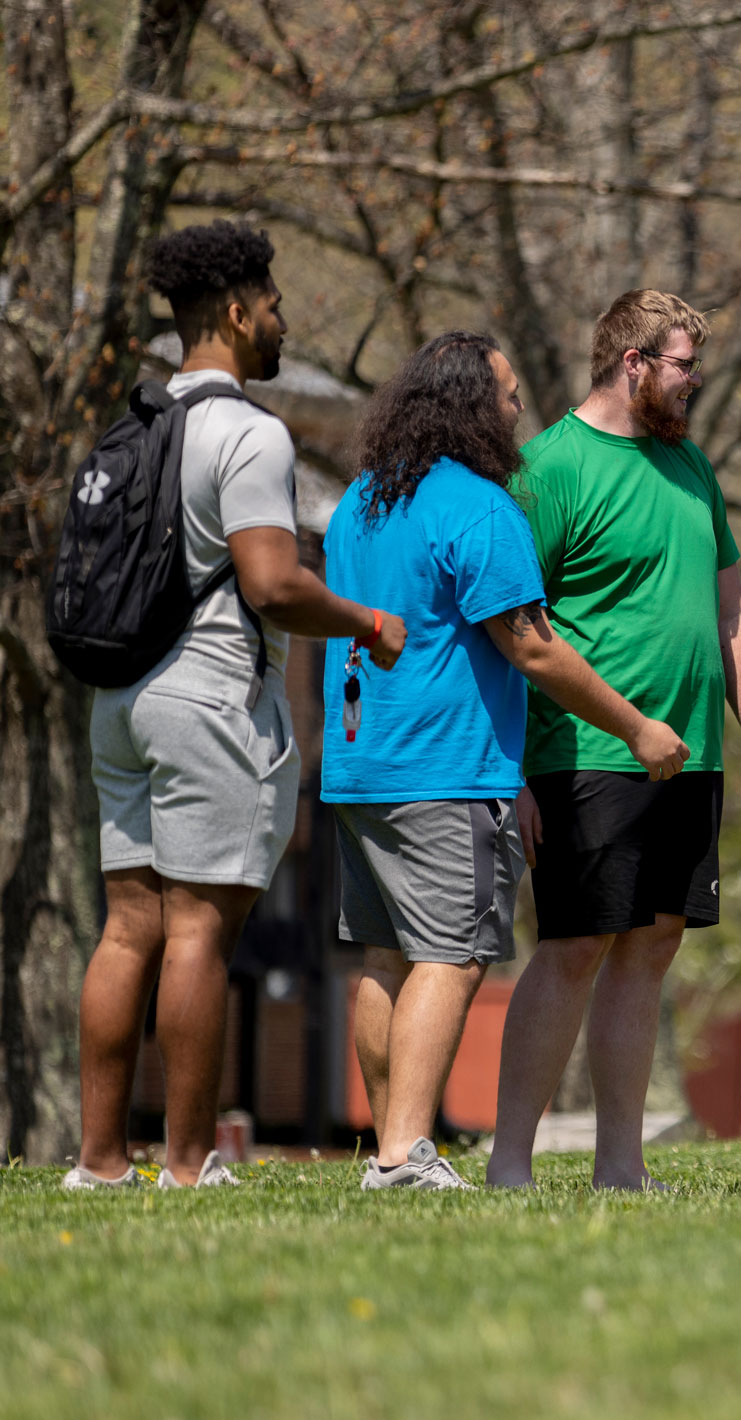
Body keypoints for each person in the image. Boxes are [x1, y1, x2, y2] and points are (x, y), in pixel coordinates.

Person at [66, 221, 410, 1190]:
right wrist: (364, 621)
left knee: (127, 925)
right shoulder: (249, 432)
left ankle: (98, 1160)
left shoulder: (131, 423)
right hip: (210, 696)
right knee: (199, 932)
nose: (283, 323)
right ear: (234, 312)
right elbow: (272, 583)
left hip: (120, 698)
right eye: (273, 305)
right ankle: (185, 1164)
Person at [322, 332, 689, 1190]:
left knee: (384, 958)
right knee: (450, 956)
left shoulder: (361, 501)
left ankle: (389, 1146)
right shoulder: (479, 506)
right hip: (445, 768)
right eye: (510, 393)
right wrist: (637, 729)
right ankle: (406, 1157)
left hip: (358, 765)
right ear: (469, 406)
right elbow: (531, 647)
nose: (520, 409)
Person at [486, 290, 741, 1191]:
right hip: (583, 755)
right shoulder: (549, 472)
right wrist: (513, 773)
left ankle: (622, 1165)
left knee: (654, 944)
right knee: (576, 945)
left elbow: (731, 607)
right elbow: (508, 629)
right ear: (635, 364)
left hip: (688, 753)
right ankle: (510, 1163)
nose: (696, 380)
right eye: (685, 364)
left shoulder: (692, 467)